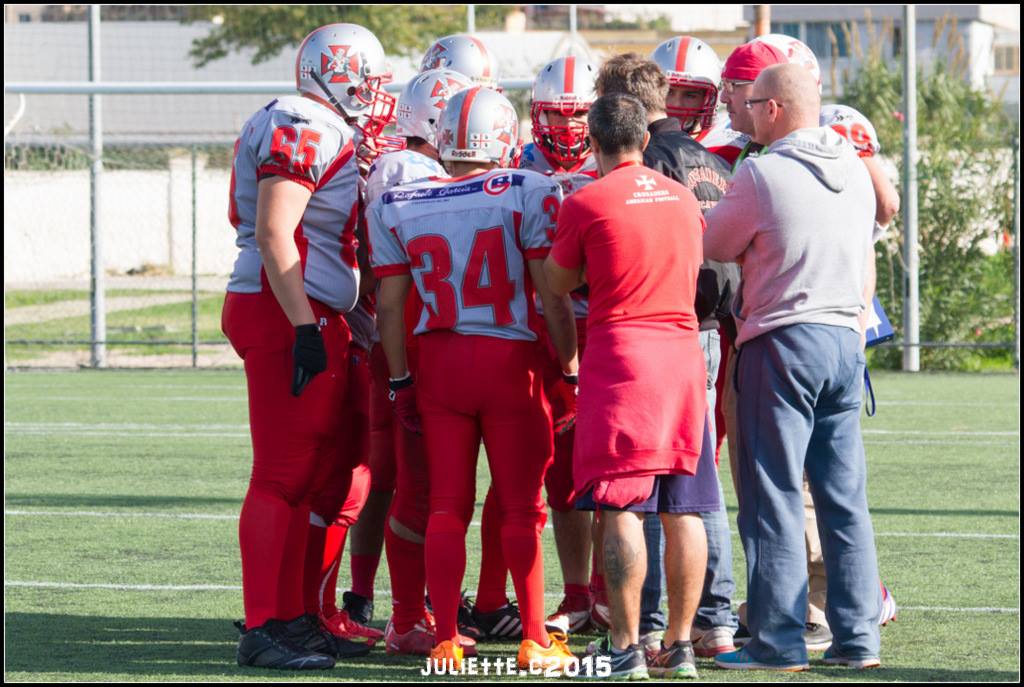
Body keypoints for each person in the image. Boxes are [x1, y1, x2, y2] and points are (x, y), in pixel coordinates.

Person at [368, 86, 579, 674]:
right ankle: (535, 637)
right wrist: (569, 368)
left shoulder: (402, 199)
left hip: (439, 362)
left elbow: (390, 308)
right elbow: (553, 298)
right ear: (504, 137)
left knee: (445, 506)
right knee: (521, 507)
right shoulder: (527, 189)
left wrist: (400, 381)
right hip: (511, 363)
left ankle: (446, 638)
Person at [717, 38, 900, 651]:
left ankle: (777, 640)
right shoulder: (853, 168)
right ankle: (858, 638)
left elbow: (712, 244)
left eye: (749, 104)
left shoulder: (761, 171)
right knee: (846, 501)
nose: (741, 113)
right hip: (847, 344)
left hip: (781, 342)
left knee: (773, 498)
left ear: (772, 110)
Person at [222, 22, 395, 669]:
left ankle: (294, 616)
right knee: (282, 475)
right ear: (338, 72)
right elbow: (273, 230)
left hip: (309, 306)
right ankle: (266, 624)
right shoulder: (305, 120)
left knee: (316, 476)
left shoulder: (321, 124)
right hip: (285, 307)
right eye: (369, 81)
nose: (376, 95)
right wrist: (301, 324)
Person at [545, 93, 708, 680]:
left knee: (621, 508)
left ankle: (625, 646)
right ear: (645, 138)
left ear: (592, 141)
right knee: (684, 507)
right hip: (684, 357)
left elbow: (558, 280)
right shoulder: (685, 198)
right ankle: (683, 646)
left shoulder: (586, 200)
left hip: (623, 360)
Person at [595, 52, 739, 662]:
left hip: (661, 329)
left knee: (652, 490)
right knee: (696, 478)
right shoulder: (710, 161)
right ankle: (716, 617)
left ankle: (649, 623)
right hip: (709, 326)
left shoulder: (644, 161)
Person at [466, 55, 604, 642]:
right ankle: (574, 593)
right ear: (533, 114)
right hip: (535, 337)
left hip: (604, 330)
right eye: (554, 115)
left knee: (616, 478)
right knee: (547, 476)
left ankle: (609, 592)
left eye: (578, 116)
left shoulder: (617, 161)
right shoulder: (513, 165)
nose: (568, 129)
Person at [351, 68, 477, 657]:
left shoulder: (419, 169)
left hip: (427, 341)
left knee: (432, 488)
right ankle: (404, 615)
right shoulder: (408, 171)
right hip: (414, 345)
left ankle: (414, 607)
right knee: (416, 487)